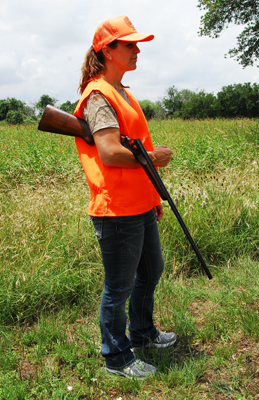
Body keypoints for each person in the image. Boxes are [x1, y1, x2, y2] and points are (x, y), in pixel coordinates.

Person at [73, 15, 176, 380]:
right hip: (115, 209)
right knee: (118, 287)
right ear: (107, 50)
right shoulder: (98, 95)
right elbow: (110, 153)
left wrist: (153, 198)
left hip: (138, 204)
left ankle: (143, 334)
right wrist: (155, 158)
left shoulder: (123, 92)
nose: (137, 50)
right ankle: (116, 356)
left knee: (151, 271)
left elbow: (129, 150)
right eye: (129, 44)